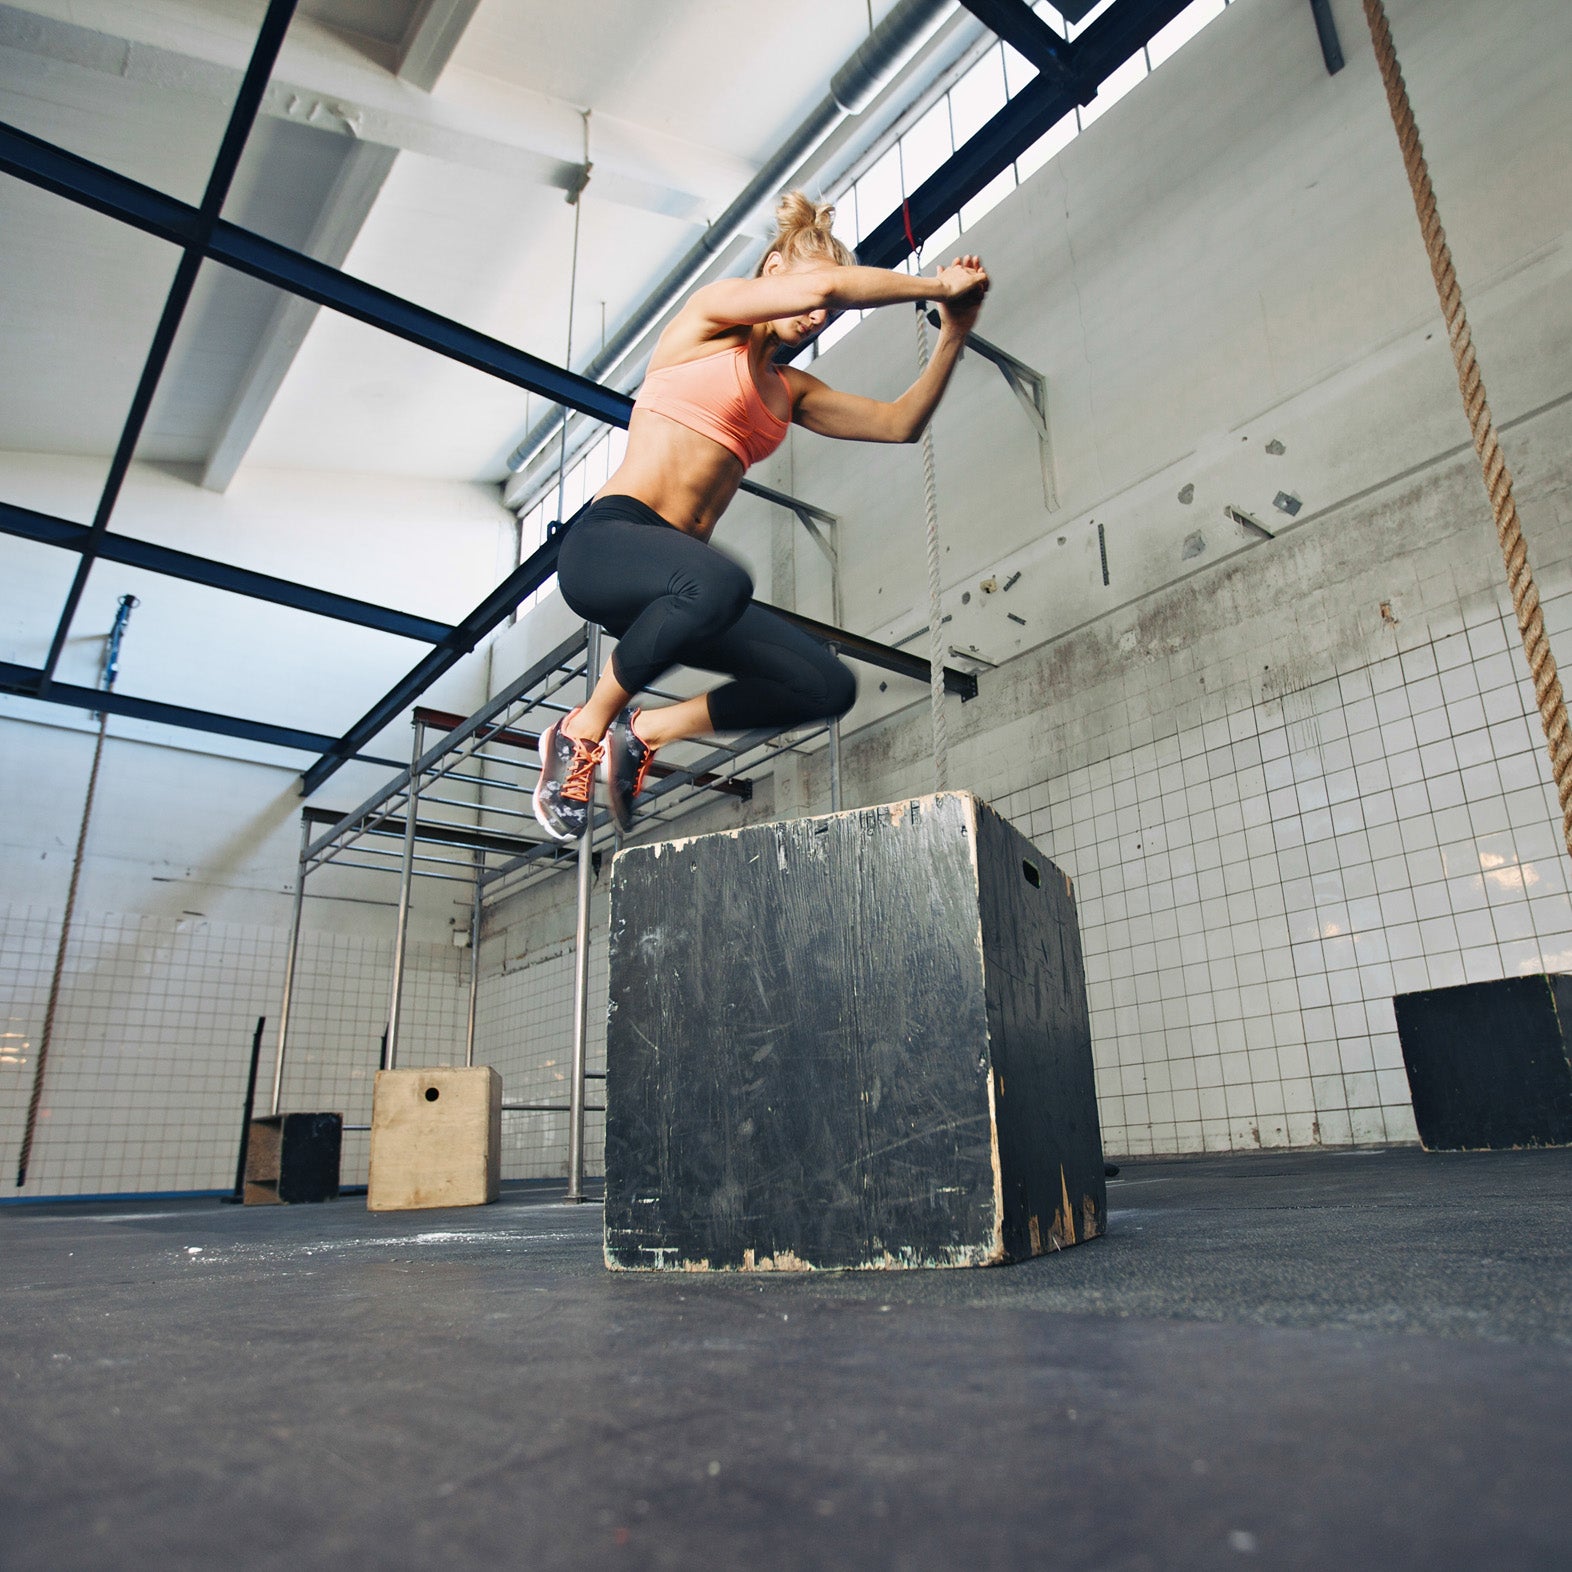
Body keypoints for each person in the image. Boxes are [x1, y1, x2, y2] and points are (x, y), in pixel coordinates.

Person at [534, 191, 988, 842]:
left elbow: (900, 423)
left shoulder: (790, 390)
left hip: (684, 597)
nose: (817, 314)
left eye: (827, 312)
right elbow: (834, 283)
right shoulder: (709, 317)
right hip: (610, 548)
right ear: (772, 273)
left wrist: (956, 331)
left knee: (824, 685)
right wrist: (935, 284)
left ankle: (647, 733)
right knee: (719, 580)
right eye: (810, 296)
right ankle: (582, 728)